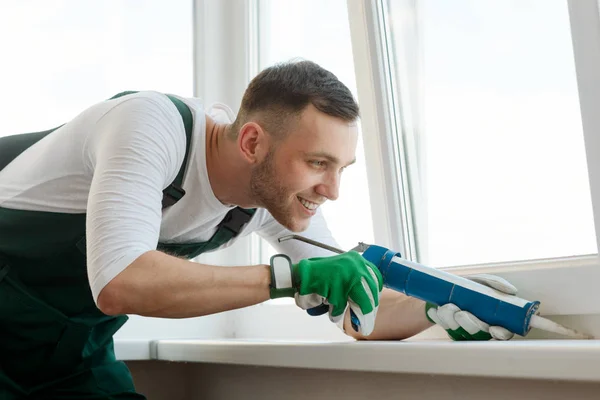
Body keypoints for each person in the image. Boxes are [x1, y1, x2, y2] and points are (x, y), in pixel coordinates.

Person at [0, 60, 517, 399]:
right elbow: (120, 282)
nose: (331, 189)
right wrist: (291, 278)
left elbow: (357, 311)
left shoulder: (272, 195)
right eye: (318, 163)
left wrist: (442, 309)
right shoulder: (150, 125)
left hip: (68, 356)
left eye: (342, 168)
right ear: (252, 143)